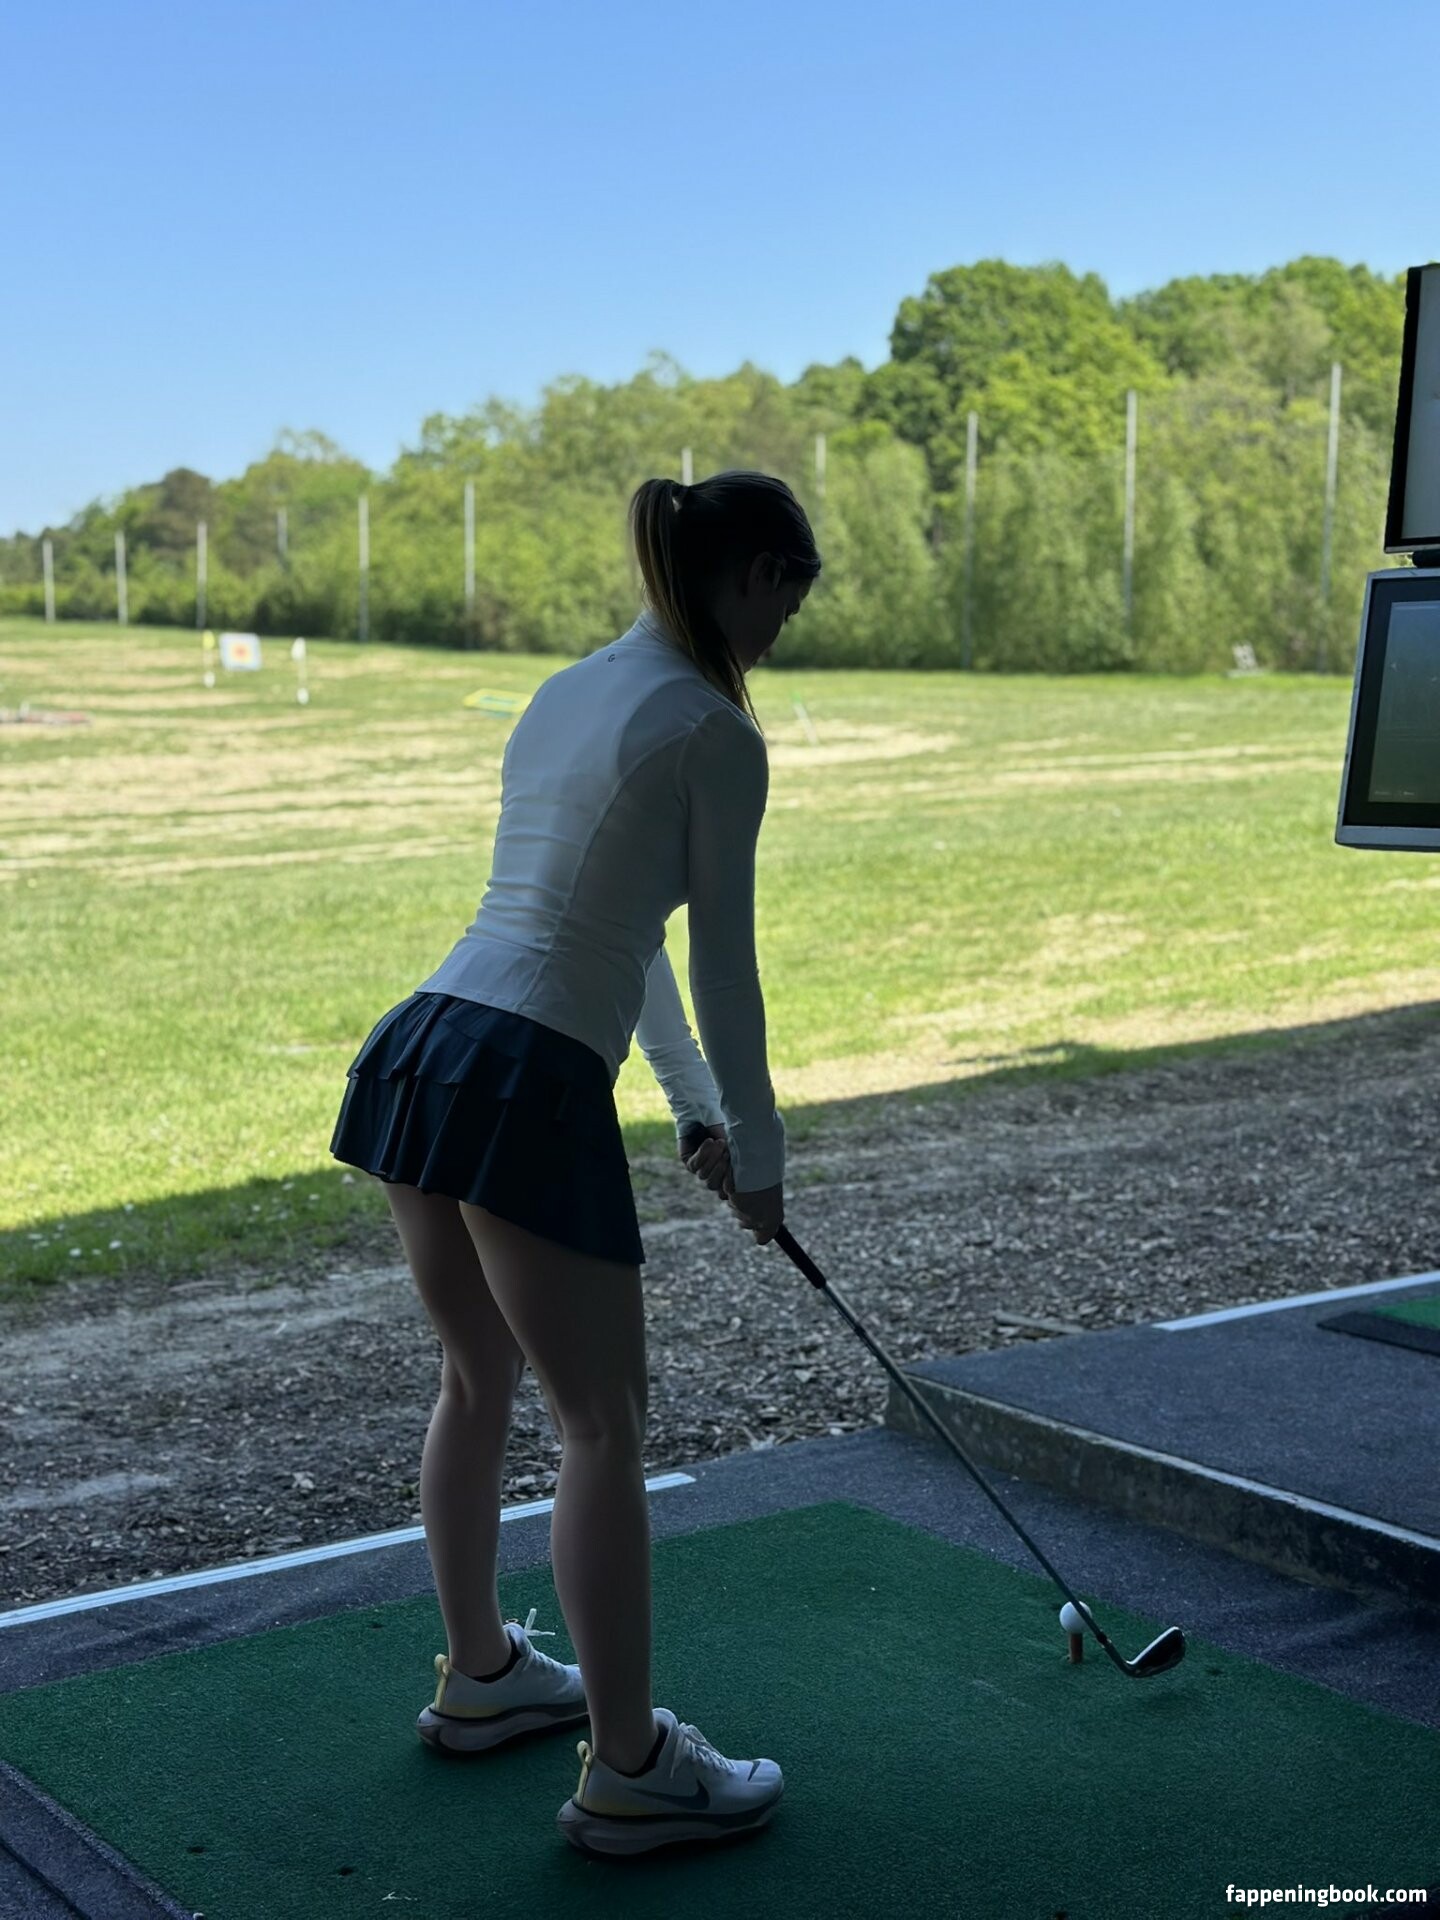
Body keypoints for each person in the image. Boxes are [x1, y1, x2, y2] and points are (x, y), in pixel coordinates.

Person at [330, 468, 821, 1858]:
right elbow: (721, 960)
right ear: (759, 576)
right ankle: (632, 1766)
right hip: (524, 1073)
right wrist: (762, 1151)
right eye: (790, 601)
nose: (783, 633)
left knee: (476, 1378)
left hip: (427, 1042)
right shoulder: (717, 728)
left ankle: (484, 1676)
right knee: (601, 1423)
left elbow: (627, 930)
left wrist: (693, 1104)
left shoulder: (568, 690)